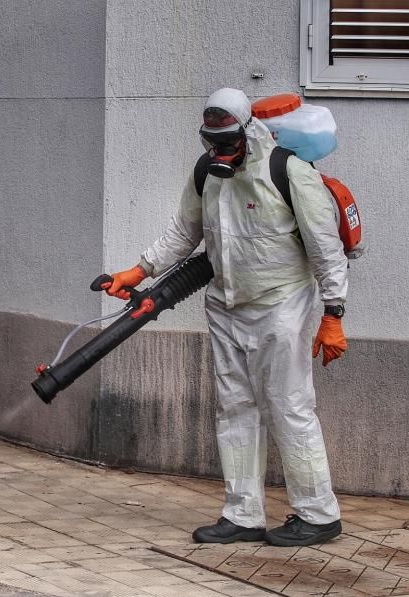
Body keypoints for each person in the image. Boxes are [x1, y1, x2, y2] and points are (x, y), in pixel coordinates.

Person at [104, 88, 348, 547]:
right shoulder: (206, 173)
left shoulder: (287, 171)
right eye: (213, 143)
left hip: (282, 304)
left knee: (289, 406)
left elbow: (326, 251)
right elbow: (184, 230)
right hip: (226, 306)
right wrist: (138, 271)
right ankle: (242, 514)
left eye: (229, 142)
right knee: (234, 408)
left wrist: (333, 314)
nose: (221, 152)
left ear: (248, 132)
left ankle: (318, 514)